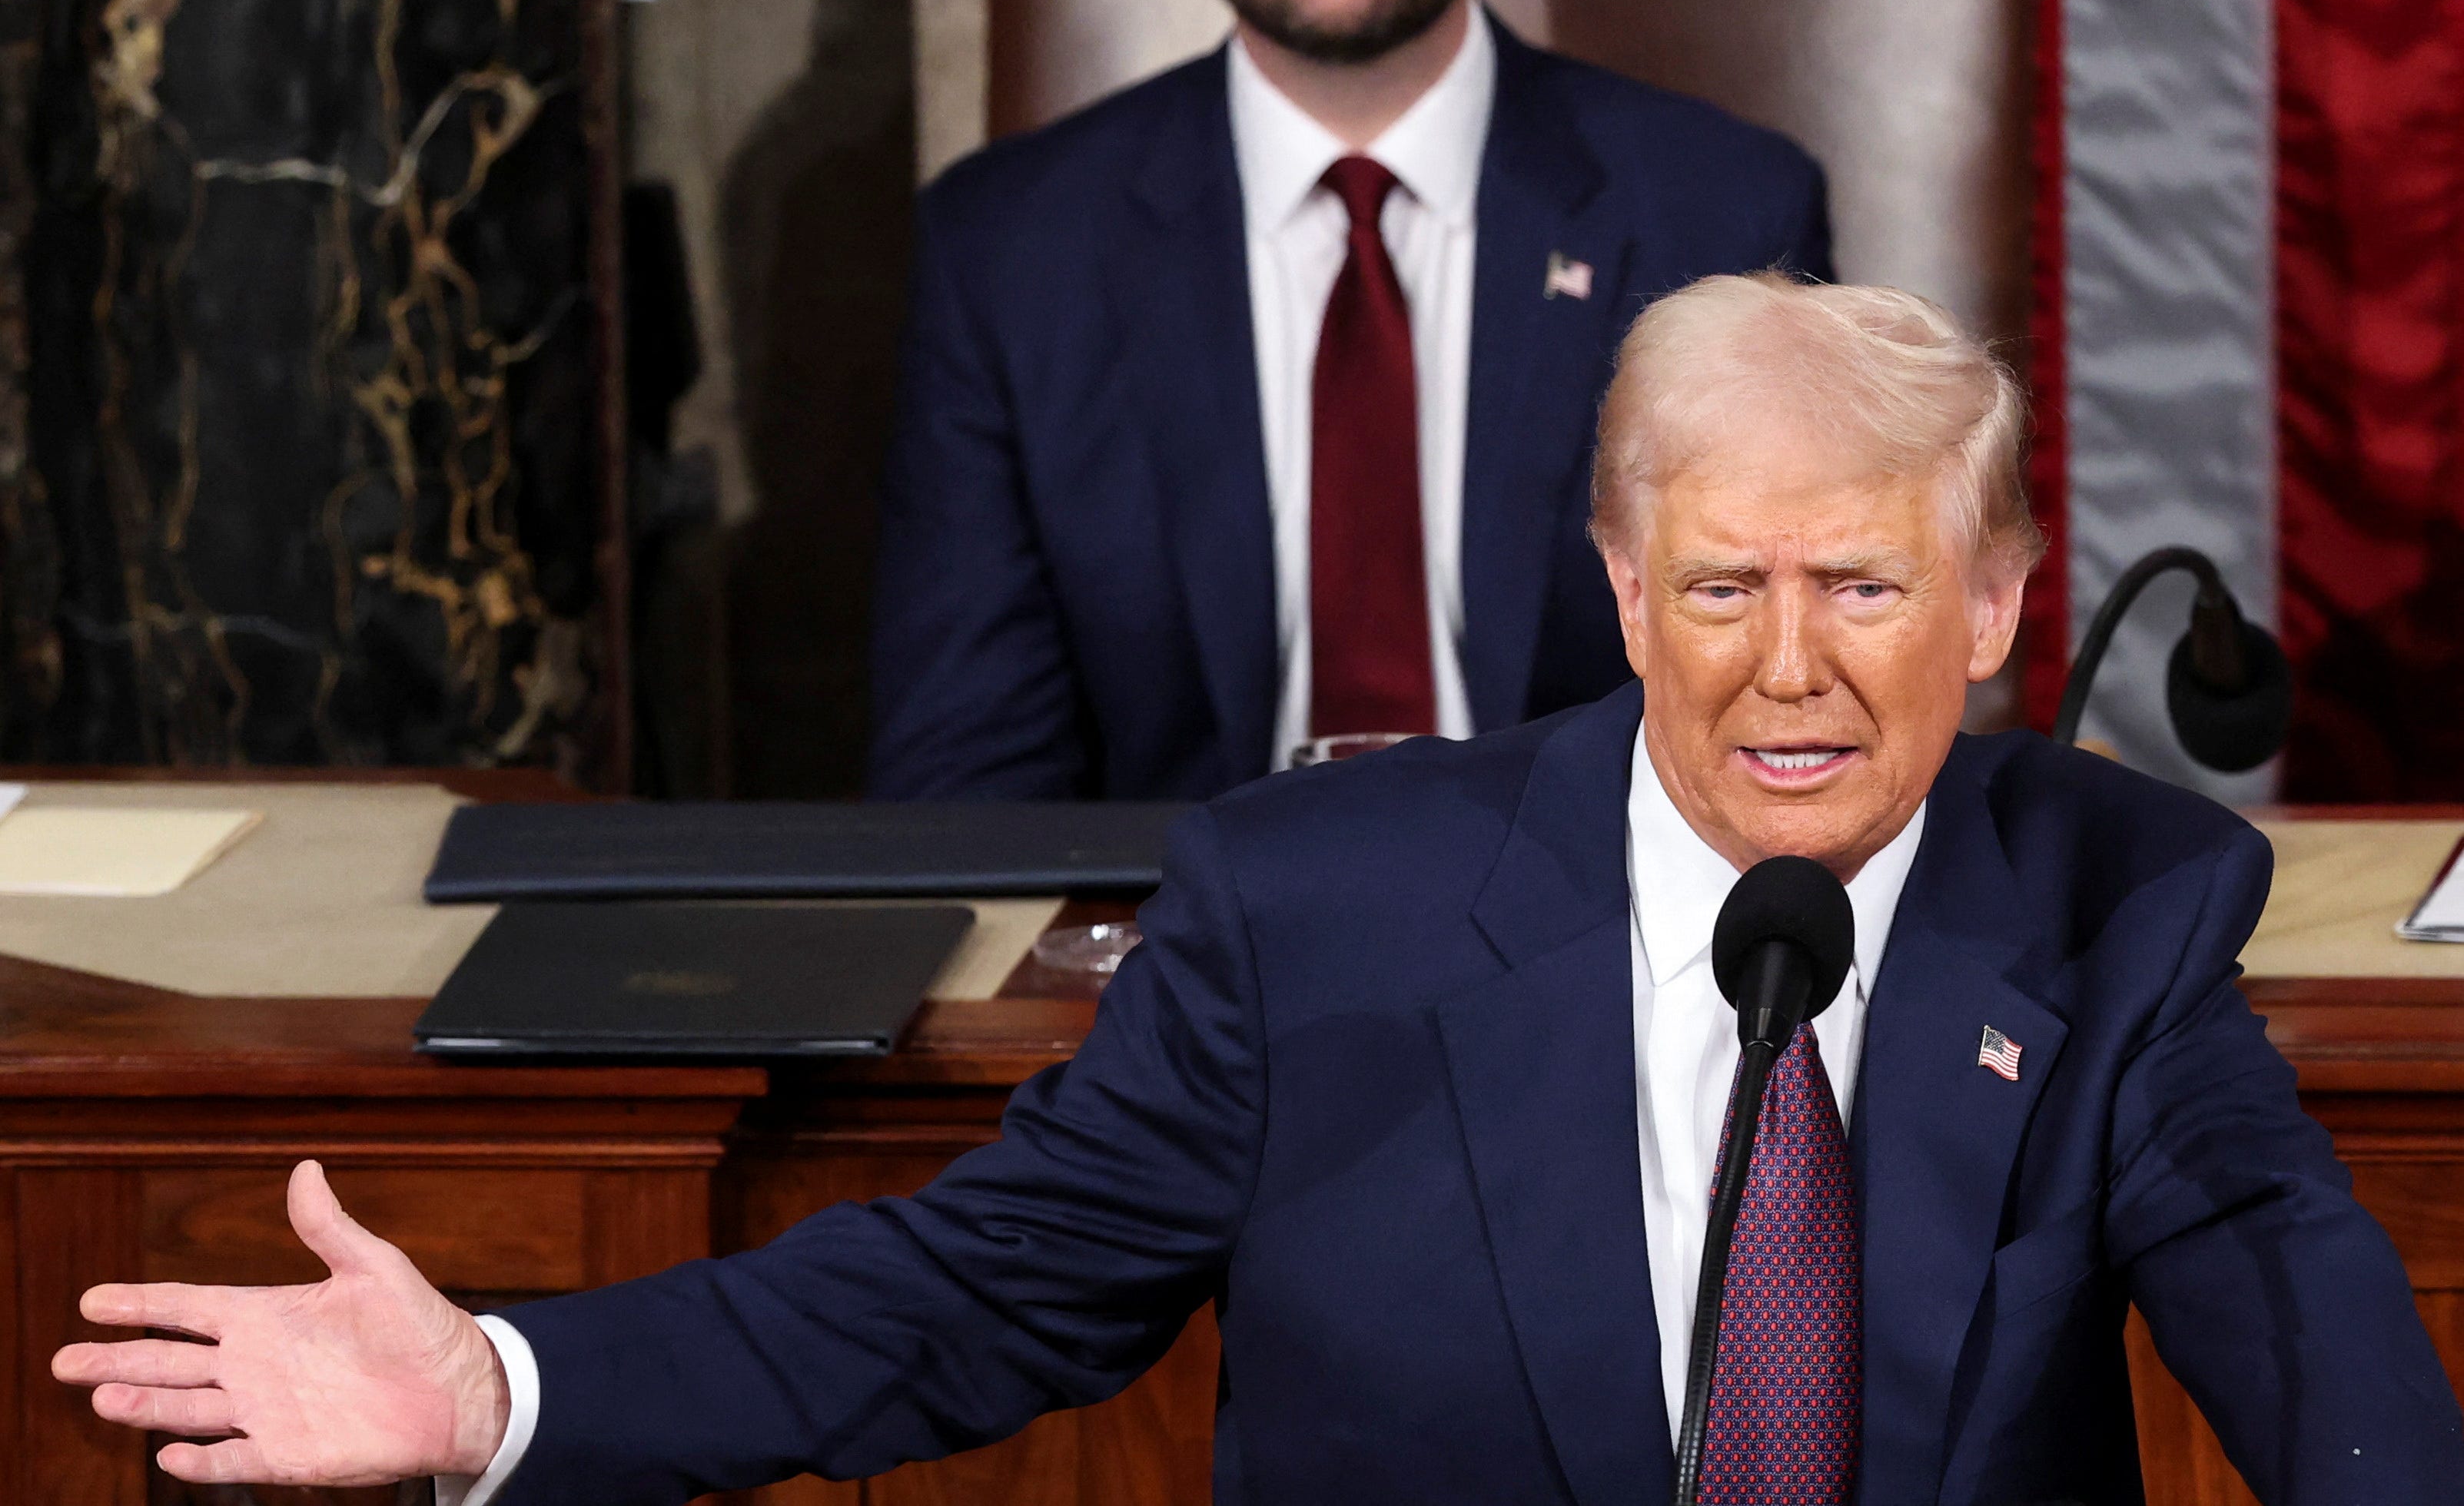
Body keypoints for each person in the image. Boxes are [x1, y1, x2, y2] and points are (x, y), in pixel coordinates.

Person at [55, 274, 2464, 1504]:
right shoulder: (1322, 907)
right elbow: (976, 1289)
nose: (1786, 674)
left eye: (1861, 587)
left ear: (1995, 603)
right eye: (1718, 589)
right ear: (1619, 590)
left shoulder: (2110, 904)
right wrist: (500, 1380)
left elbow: (2308, 1335)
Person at [867, 0, 1831, 799]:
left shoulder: (1722, 215)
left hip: (1600, 941)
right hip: (1173, 947)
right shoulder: (1009, 250)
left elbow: (1786, 714)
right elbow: (966, 787)